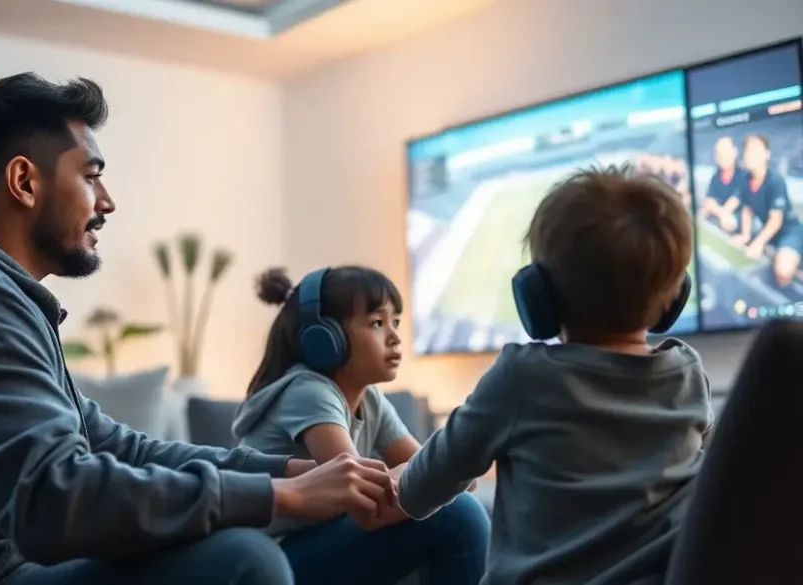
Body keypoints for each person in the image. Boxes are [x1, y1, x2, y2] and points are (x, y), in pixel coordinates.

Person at [0, 73, 399, 585]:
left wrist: (290, 470)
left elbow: (120, 447)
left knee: (443, 518)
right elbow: (51, 500)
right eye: (92, 176)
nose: (108, 201)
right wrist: (282, 496)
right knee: (242, 561)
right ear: (25, 182)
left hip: (19, 567)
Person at [397, 166, 713, 585]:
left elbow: (418, 491)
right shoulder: (687, 374)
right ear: (675, 295)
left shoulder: (520, 379)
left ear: (538, 295)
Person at [232, 266, 490, 585]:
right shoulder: (307, 392)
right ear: (325, 339)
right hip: (271, 559)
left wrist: (443, 471)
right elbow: (369, 507)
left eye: (395, 321)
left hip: (316, 542)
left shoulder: (370, 399)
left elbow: (434, 472)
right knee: (456, 515)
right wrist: (443, 471)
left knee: (451, 507)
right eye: (377, 323)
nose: (395, 336)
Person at [731, 133, 803, 287]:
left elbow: (775, 220)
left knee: (783, 272)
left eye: (756, 150)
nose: (750, 155)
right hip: (770, 234)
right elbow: (747, 210)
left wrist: (757, 243)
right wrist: (745, 235)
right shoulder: (746, 180)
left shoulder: (775, 180)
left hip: (788, 231)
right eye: (748, 151)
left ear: (767, 154)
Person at [700, 136, 748, 233]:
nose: (722, 156)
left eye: (725, 151)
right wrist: (720, 213)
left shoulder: (744, 175)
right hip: (721, 215)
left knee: (729, 222)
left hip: (740, 217)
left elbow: (735, 200)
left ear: (735, 152)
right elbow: (709, 201)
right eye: (718, 153)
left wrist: (723, 214)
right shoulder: (716, 177)